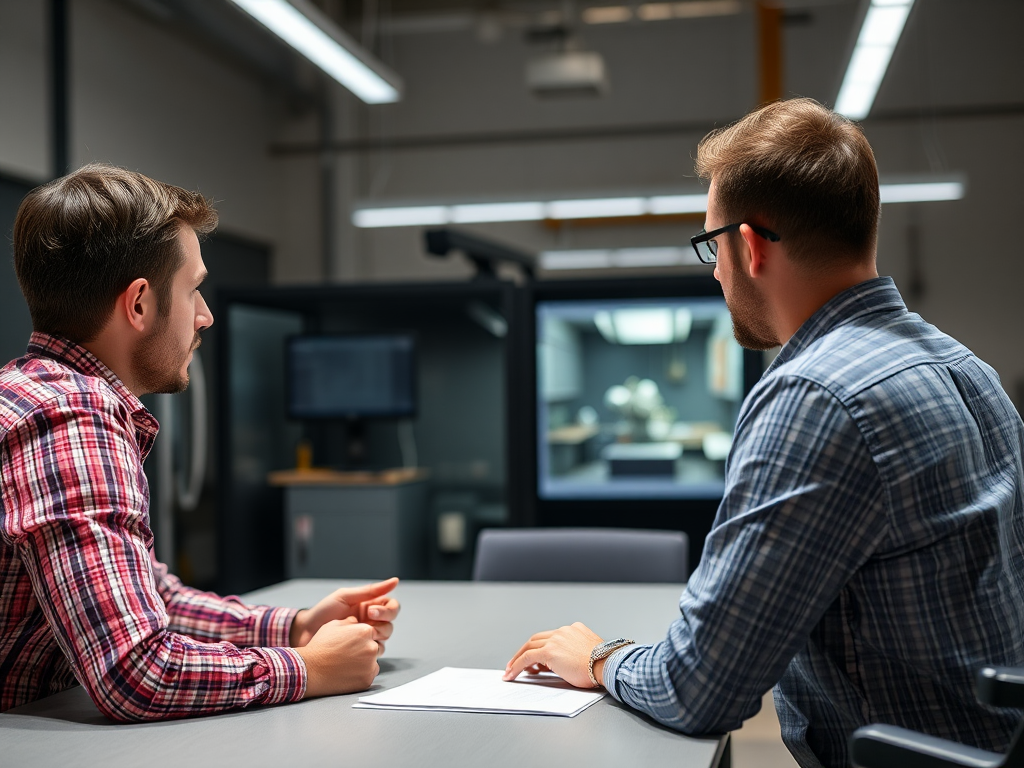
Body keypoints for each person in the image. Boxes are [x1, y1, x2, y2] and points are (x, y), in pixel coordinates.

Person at [504, 98, 1024, 767]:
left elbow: (702, 688)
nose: (715, 272)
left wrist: (601, 658)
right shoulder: (967, 367)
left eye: (710, 247)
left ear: (748, 246)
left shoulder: (815, 397)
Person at [0, 164, 399, 721]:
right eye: (194, 290)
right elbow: (136, 672)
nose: (206, 316)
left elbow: (147, 600)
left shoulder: (35, 393)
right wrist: (309, 669)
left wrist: (297, 626)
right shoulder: (71, 418)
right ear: (138, 304)